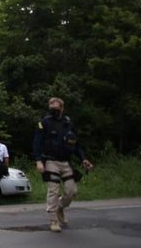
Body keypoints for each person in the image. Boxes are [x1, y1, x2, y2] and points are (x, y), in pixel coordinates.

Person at [33, 97, 93, 233]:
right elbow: (37, 143)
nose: (53, 110)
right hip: (50, 161)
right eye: (51, 107)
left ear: (62, 108)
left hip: (66, 162)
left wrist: (83, 159)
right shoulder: (44, 123)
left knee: (71, 191)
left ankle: (60, 208)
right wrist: (38, 160)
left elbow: (76, 144)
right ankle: (53, 220)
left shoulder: (68, 124)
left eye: (56, 107)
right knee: (53, 190)